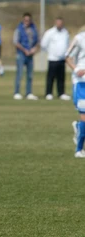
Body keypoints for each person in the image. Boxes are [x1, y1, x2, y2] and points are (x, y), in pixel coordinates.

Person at [65, 29, 85, 158]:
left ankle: (78, 127)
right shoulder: (79, 38)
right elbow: (67, 56)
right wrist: (77, 69)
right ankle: (78, 150)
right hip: (81, 84)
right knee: (84, 117)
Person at [41, 17, 70, 101]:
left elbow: (67, 44)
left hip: (62, 58)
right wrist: (50, 52)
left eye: (61, 23)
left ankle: (61, 93)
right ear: (55, 23)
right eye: (58, 23)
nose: (59, 24)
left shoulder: (65, 32)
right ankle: (49, 93)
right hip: (52, 58)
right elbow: (43, 44)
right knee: (51, 77)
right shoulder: (50, 32)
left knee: (61, 77)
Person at [13, 12, 39, 101]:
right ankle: (16, 92)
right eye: (25, 20)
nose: (27, 21)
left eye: (28, 20)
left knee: (30, 75)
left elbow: (37, 41)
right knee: (19, 74)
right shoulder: (19, 29)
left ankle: (29, 93)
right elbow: (16, 42)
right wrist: (24, 50)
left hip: (30, 54)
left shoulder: (33, 29)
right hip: (21, 54)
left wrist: (34, 49)